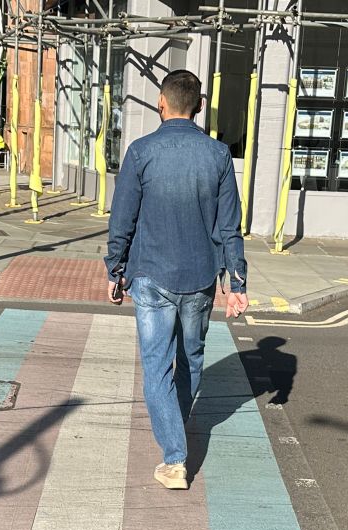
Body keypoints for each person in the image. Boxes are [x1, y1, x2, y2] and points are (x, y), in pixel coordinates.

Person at [103, 69, 248, 491]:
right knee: (191, 360)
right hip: (201, 276)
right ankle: (175, 435)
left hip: (150, 274)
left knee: (155, 366)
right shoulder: (218, 155)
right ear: (200, 106)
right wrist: (236, 282)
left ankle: (174, 456)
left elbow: (122, 219)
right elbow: (229, 227)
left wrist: (116, 269)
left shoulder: (140, 152)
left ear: (160, 104)